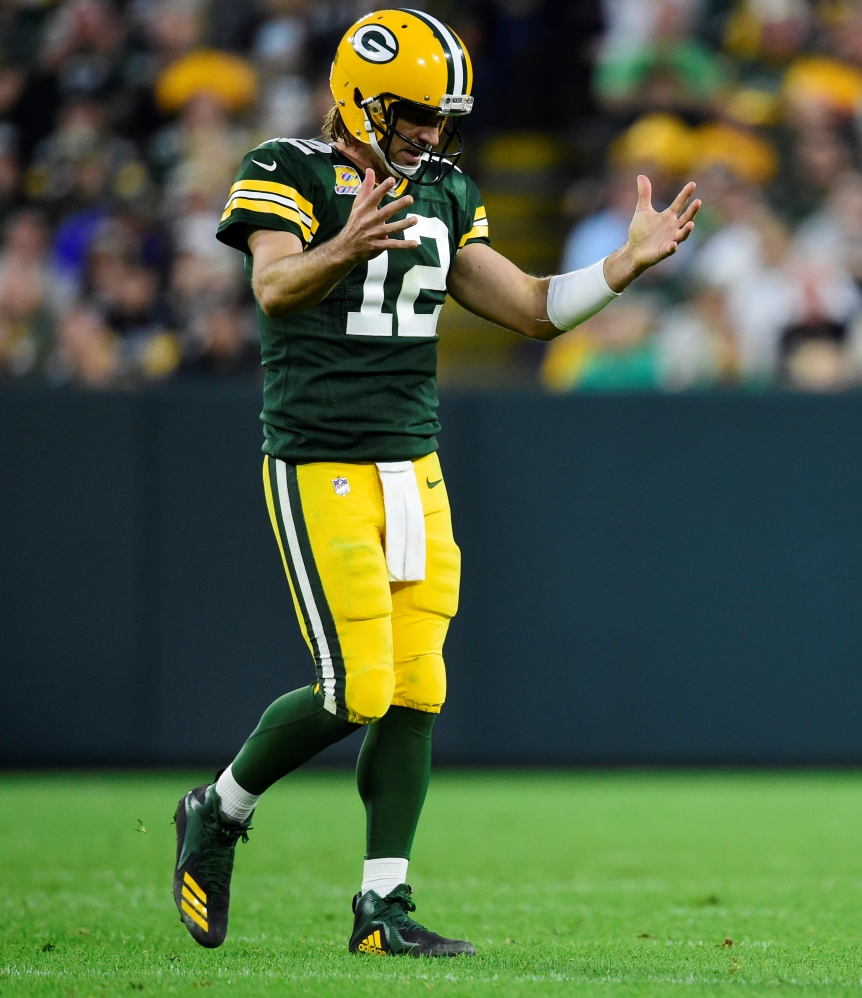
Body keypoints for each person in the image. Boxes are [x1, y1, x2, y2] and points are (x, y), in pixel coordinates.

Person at [173, 9, 699, 957]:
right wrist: (344, 245)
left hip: (412, 465)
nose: (427, 132)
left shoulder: (447, 190)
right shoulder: (287, 166)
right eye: (412, 112)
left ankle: (383, 909)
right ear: (359, 96)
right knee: (356, 688)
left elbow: (534, 310)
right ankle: (219, 808)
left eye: (438, 115)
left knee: (417, 687)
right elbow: (275, 288)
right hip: (320, 458)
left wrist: (619, 268)